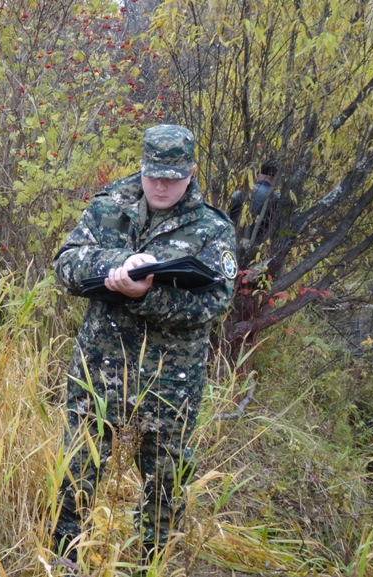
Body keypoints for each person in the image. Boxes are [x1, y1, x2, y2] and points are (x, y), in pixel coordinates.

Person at [51, 125, 237, 568]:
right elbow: (66, 264)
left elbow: (214, 302)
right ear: (142, 165)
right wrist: (119, 265)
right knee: (77, 468)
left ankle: (150, 564)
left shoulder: (212, 228)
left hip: (170, 380)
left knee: (165, 481)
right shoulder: (109, 206)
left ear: (191, 172)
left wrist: (147, 296)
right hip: (100, 369)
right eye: (154, 175)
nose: (161, 186)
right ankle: (63, 559)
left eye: (173, 178)